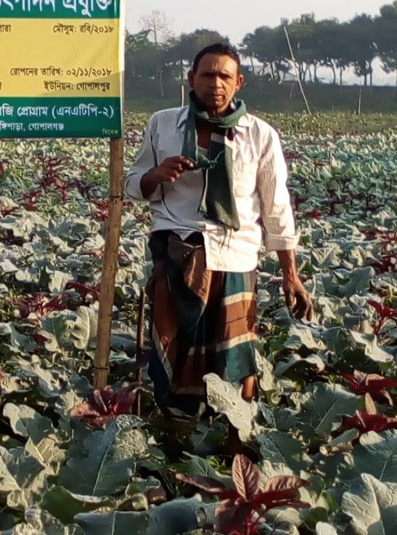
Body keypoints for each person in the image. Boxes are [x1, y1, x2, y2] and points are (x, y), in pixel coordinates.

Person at [125, 42, 313, 421]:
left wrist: (290, 274)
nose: (216, 83)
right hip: (178, 251)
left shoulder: (260, 135)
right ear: (191, 79)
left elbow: (277, 208)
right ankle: (176, 430)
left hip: (235, 255)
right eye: (207, 74)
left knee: (233, 354)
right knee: (174, 352)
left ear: (238, 82)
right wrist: (157, 175)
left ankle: (233, 432)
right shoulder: (163, 124)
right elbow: (132, 183)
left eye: (225, 76)